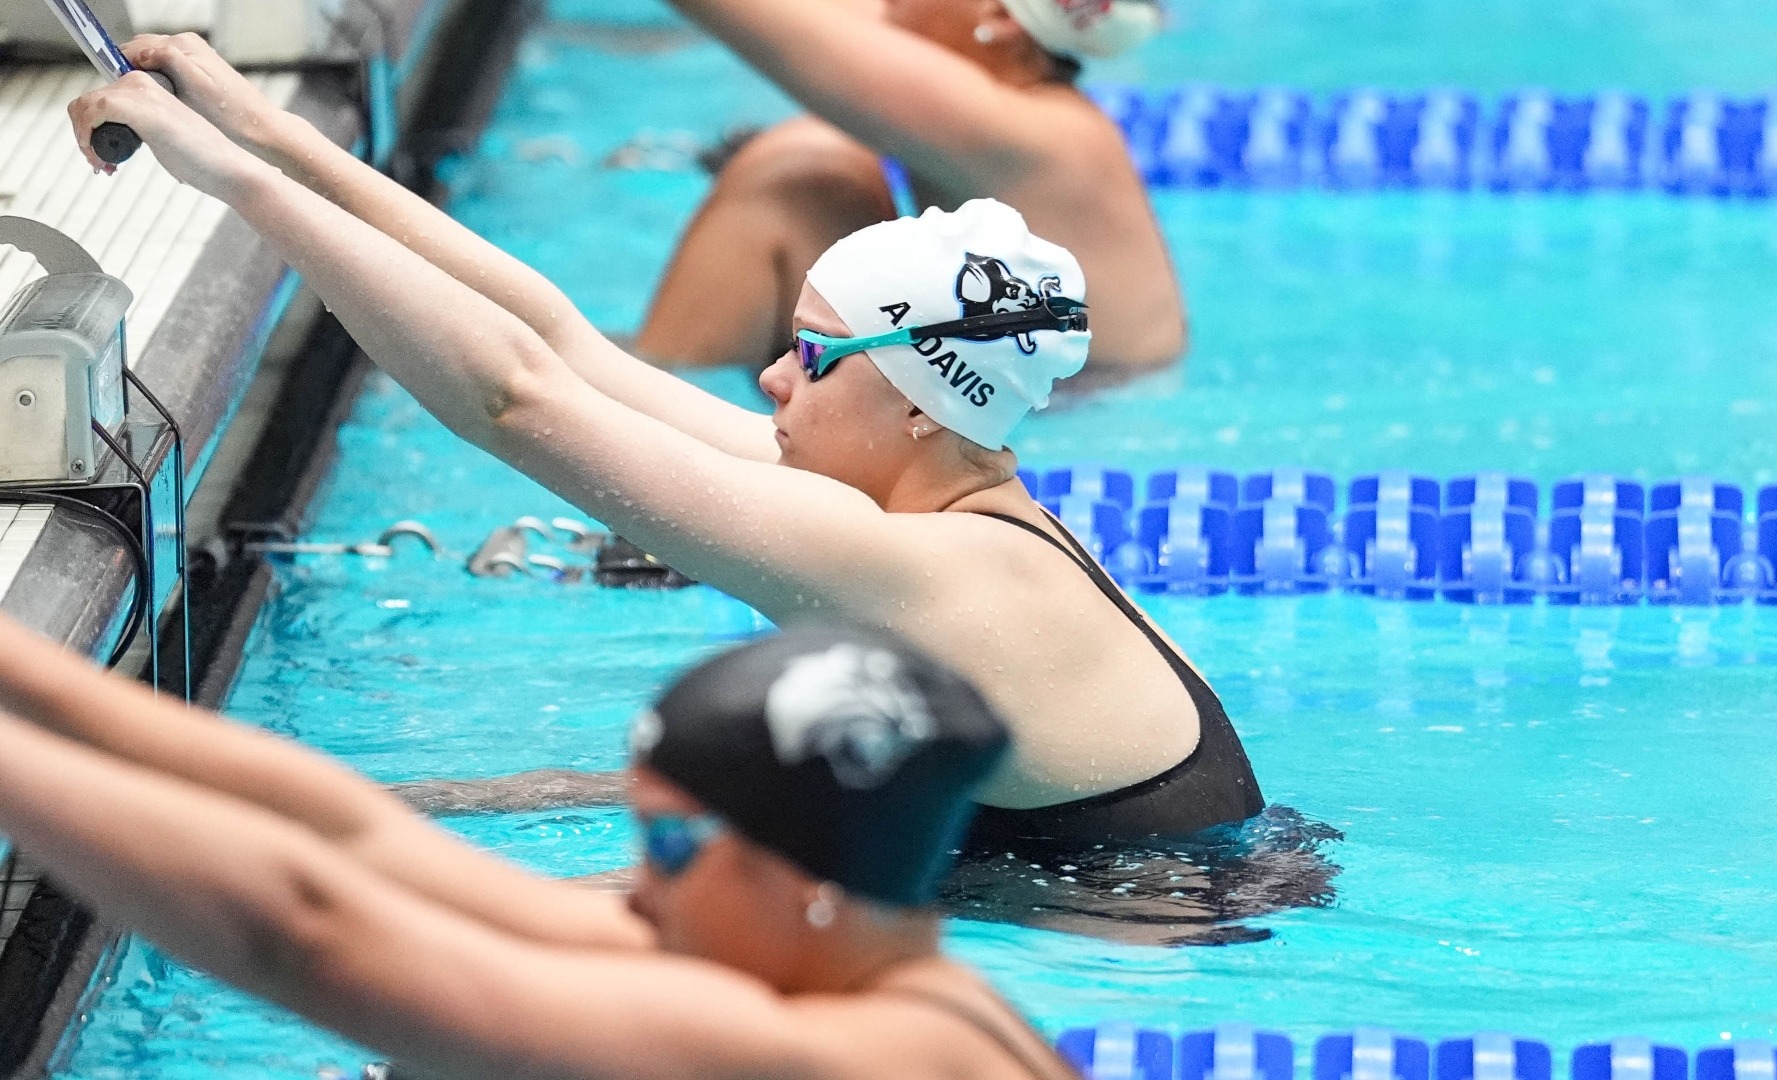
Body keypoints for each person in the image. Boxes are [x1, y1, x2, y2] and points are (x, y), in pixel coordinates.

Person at [65, 45, 1269, 889]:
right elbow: (559, 341)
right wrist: (257, 125)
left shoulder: (931, 571)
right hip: (1024, 875)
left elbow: (511, 400)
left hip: (1128, 922)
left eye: (812, 355)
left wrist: (228, 183)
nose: (771, 382)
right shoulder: (924, 509)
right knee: (460, 815)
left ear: (915, 399)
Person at [0, 615, 1081, 1080]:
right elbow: (358, 837)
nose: (635, 889)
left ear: (796, 872)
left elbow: (308, 936)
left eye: (664, 843)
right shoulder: (860, 968)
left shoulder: (843, 1057)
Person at [636, 0, 1187, 374]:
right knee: (815, 187)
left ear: (998, 18)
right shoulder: (1028, 102)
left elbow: (772, 24)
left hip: (1065, 428)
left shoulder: (1038, 136)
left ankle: (634, 436)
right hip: (982, 394)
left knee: (796, 170)